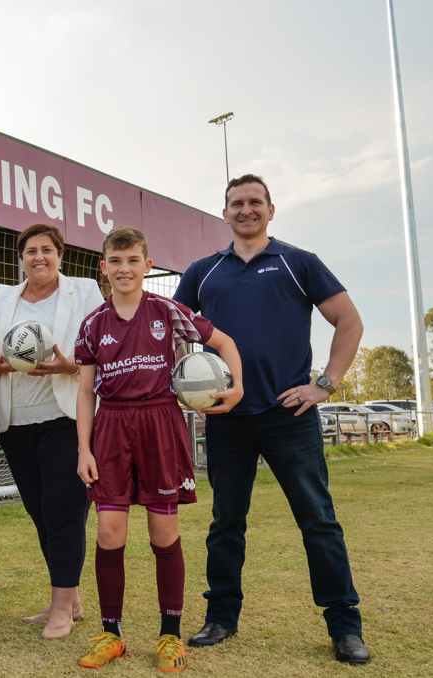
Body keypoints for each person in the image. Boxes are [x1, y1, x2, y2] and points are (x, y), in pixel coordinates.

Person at [172, 174, 369, 665]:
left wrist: (325, 383)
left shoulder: (297, 262)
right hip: (226, 419)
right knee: (225, 524)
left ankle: (345, 626)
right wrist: (184, 383)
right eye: (236, 203)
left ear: (271, 209)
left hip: (289, 414)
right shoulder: (203, 271)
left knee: (318, 521)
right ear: (224, 213)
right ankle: (220, 617)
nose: (246, 210)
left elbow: (349, 320)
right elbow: (170, 329)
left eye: (254, 202)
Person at [74, 226, 244, 672]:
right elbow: (85, 391)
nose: (124, 269)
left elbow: (223, 342)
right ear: (104, 267)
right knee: (110, 533)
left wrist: (235, 386)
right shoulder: (93, 323)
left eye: (133, 261)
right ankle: (111, 634)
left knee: (162, 534)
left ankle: (170, 636)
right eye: (115, 261)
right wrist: (83, 449)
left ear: (147, 266)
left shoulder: (167, 311)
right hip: (110, 427)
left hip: (160, 423)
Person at [0, 223, 103, 640]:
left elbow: (105, 345)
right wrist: (2, 362)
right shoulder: (5, 298)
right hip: (17, 421)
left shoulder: (84, 291)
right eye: (30, 251)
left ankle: (62, 611)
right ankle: (69, 597)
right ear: (21, 258)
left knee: (63, 510)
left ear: (60, 254)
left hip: (67, 417)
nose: (39, 257)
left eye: (47, 250)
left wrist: (70, 366)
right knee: (39, 513)